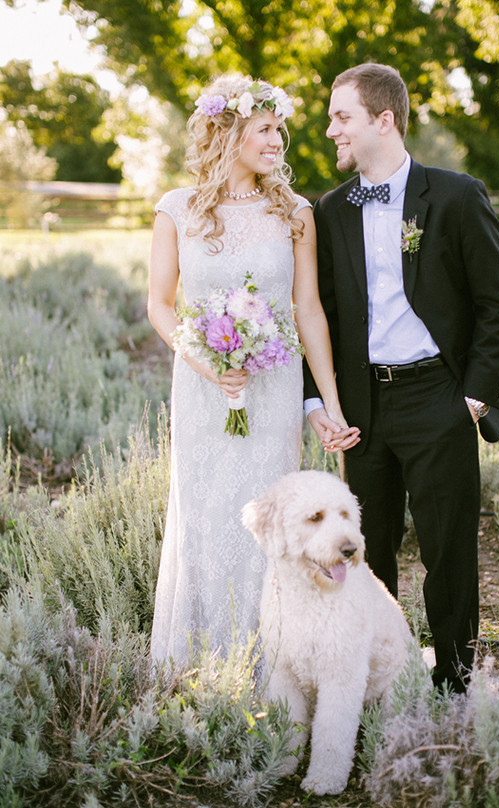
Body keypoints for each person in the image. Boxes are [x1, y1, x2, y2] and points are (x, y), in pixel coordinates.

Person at [304, 63, 499, 693]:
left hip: (440, 398)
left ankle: (454, 686)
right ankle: (381, 682)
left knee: (447, 551)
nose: (330, 129)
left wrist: (473, 398)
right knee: (364, 553)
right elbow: (323, 314)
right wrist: (320, 400)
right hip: (363, 408)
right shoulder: (332, 209)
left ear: (384, 120)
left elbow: (497, 304)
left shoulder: (454, 195)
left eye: (341, 117)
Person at [148, 74, 359, 664]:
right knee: (206, 513)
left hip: (272, 392)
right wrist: (203, 361)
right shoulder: (178, 209)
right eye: (265, 130)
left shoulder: (294, 212)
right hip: (202, 390)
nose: (278, 142)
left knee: (269, 518)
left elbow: (308, 310)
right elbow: (159, 304)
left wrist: (331, 406)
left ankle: (266, 659)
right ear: (230, 131)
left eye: (279, 130)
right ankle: (200, 661)